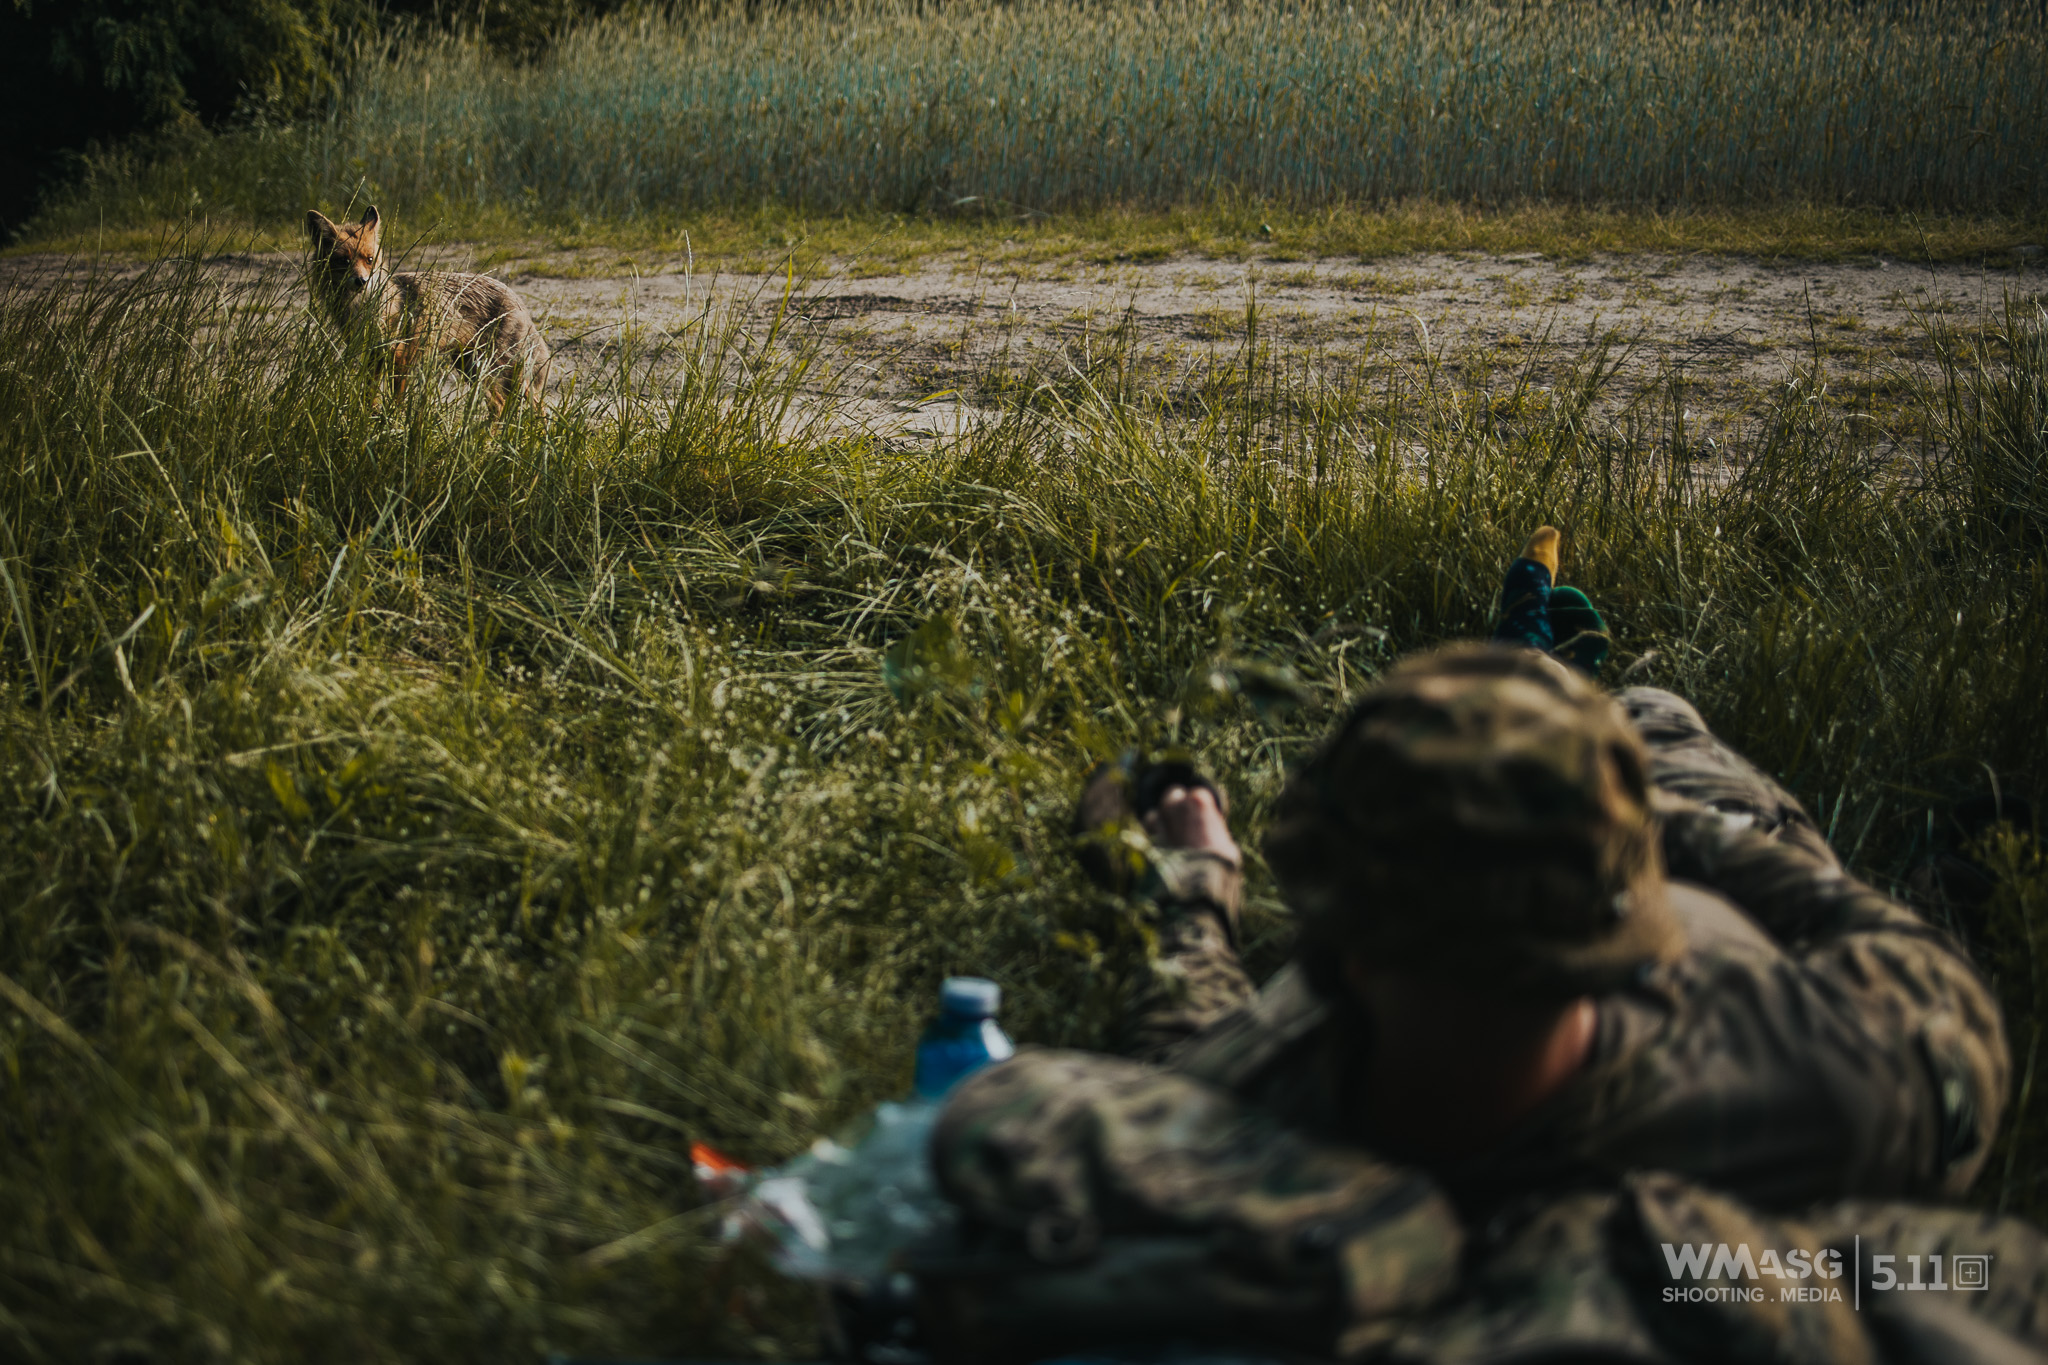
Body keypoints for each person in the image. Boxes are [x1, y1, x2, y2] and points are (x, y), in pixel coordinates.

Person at [910, 529, 2040, 1365]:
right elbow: (1895, 960)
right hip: (1695, 863)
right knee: (1647, 713)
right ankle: (1563, 687)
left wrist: (1192, 886)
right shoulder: (1830, 1080)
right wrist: (1639, 829)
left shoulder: (1266, 1108)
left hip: (1613, 892)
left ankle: (1535, 670)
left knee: (1561, 707)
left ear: (1336, 946)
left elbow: (1185, 1032)